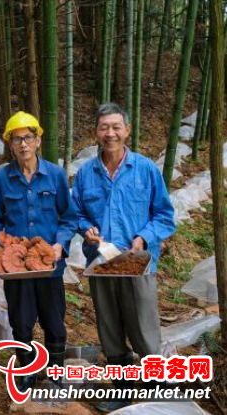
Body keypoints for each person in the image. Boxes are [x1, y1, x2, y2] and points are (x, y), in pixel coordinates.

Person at [71, 103, 175, 411]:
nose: (110, 133)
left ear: (127, 131)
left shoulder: (145, 169)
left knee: (144, 327)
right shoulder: (86, 174)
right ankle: (122, 391)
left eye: (116, 127)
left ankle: (158, 394)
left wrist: (143, 237)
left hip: (138, 264)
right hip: (101, 263)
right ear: (96, 132)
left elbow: (165, 216)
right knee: (110, 328)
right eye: (104, 127)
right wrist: (86, 228)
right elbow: (75, 213)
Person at [0, 111, 78, 392]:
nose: (23, 144)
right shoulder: (3, 177)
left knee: (53, 320)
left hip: (49, 264)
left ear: (38, 140)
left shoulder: (56, 175)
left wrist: (60, 244)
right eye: (17, 139)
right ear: (10, 145)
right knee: (21, 321)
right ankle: (26, 370)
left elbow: (69, 217)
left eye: (28, 137)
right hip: (16, 268)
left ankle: (55, 372)